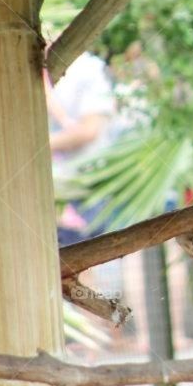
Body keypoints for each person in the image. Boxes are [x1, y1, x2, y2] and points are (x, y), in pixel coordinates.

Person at [46, 51, 117, 246]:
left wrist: (36, 147)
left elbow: (89, 130)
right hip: (53, 188)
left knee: (78, 260)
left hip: (84, 188)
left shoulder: (89, 68)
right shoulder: (39, 70)